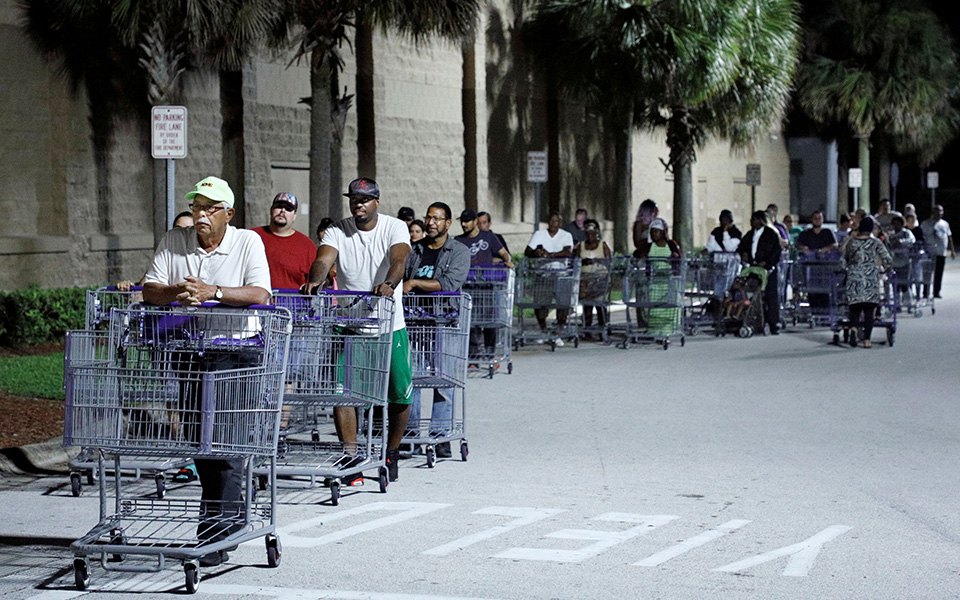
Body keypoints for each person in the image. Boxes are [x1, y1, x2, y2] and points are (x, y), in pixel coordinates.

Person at [142, 176, 272, 567]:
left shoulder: (247, 241)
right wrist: (177, 293)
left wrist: (213, 292)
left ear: (228, 214)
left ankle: (214, 533)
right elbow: (150, 288)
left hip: (238, 352)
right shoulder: (174, 240)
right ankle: (229, 513)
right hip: (193, 351)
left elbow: (260, 293)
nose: (200, 213)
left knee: (226, 443)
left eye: (210, 208)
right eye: (197, 206)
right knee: (202, 442)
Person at [304, 177, 412, 483]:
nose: (358, 204)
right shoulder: (339, 229)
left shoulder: (394, 227)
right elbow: (324, 258)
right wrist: (316, 279)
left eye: (364, 199)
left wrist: (390, 284)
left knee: (400, 396)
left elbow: (399, 258)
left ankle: (391, 451)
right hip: (349, 324)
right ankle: (350, 457)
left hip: (389, 324)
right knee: (343, 395)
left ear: (377, 201)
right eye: (353, 198)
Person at [404, 202, 470, 459]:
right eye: (428, 218)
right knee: (413, 381)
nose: (431, 223)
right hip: (415, 322)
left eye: (437, 219)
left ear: (448, 223)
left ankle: (440, 437)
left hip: (443, 322)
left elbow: (450, 283)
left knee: (444, 382)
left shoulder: (459, 251)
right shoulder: (415, 251)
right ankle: (412, 437)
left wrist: (414, 282)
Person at [843, 216, 892, 348]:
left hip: (854, 277)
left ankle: (853, 329)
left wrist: (846, 269)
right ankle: (866, 340)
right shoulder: (876, 243)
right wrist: (887, 268)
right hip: (870, 278)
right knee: (869, 309)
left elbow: (843, 260)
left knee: (855, 307)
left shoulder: (851, 242)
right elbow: (887, 259)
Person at [252, 192, 317, 290]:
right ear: (271, 210)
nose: (282, 211)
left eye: (288, 209)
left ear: (294, 215)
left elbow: (313, 282)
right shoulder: (251, 236)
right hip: (257, 302)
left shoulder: (307, 246)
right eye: (278, 206)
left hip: (293, 303)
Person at [525, 212, 575, 339]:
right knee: (540, 304)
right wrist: (537, 253)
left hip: (561, 275)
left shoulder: (566, 235)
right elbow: (528, 251)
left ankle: (558, 332)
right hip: (543, 275)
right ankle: (544, 330)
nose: (554, 223)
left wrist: (550, 255)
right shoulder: (539, 234)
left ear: (560, 223)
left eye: (556, 221)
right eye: (551, 221)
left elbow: (568, 252)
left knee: (562, 304)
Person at [116, 211, 195, 291]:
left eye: (190, 229)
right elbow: (141, 293)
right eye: (179, 229)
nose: (184, 234)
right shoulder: (164, 256)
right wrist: (129, 290)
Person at [738, 210, 783, 334]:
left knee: (770, 295)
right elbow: (742, 247)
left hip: (767, 269)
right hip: (753, 268)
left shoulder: (771, 234)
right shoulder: (750, 234)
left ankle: (773, 322)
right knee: (753, 294)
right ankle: (754, 318)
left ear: (760, 221)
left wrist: (767, 262)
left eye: (754, 219)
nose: (751, 222)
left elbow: (776, 251)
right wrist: (744, 254)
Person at [637, 218, 681, 336]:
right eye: (652, 231)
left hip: (669, 281)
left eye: (656, 231)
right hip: (655, 282)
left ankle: (668, 328)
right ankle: (655, 328)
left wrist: (674, 257)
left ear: (663, 232)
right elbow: (637, 254)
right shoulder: (649, 246)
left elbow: (679, 259)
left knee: (669, 306)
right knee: (655, 306)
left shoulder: (671, 244)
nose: (654, 234)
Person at [575, 219, 611, 339]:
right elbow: (575, 261)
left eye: (593, 233)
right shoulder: (581, 246)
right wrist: (583, 262)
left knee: (600, 305)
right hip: (585, 280)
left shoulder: (602, 245)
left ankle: (603, 329)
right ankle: (587, 330)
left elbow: (609, 261)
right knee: (587, 306)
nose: (590, 235)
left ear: (597, 233)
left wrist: (597, 261)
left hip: (600, 280)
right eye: (588, 233)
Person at [920, 204, 955, 299]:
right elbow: (920, 236)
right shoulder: (926, 223)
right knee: (927, 273)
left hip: (941, 252)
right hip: (929, 252)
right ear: (932, 212)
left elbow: (949, 237)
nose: (938, 213)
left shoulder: (945, 224)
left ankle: (936, 292)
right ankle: (925, 292)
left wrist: (952, 250)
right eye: (936, 211)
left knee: (938, 273)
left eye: (940, 211)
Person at [886, 214, 915, 305]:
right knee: (895, 285)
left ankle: (908, 303)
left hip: (904, 262)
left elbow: (912, 240)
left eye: (898, 223)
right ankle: (897, 304)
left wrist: (901, 242)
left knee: (904, 284)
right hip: (894, 262)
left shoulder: (906, 233)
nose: (896, 226)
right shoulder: (891, 234)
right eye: (894, 224)